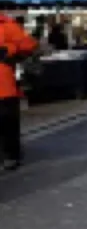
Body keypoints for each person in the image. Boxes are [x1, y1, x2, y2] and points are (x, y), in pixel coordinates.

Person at [0, 14, 37, 171]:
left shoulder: (6, 24)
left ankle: (11, 155)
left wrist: (8, 50)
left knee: (8, 122)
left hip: (4, 86)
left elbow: (29, 45)